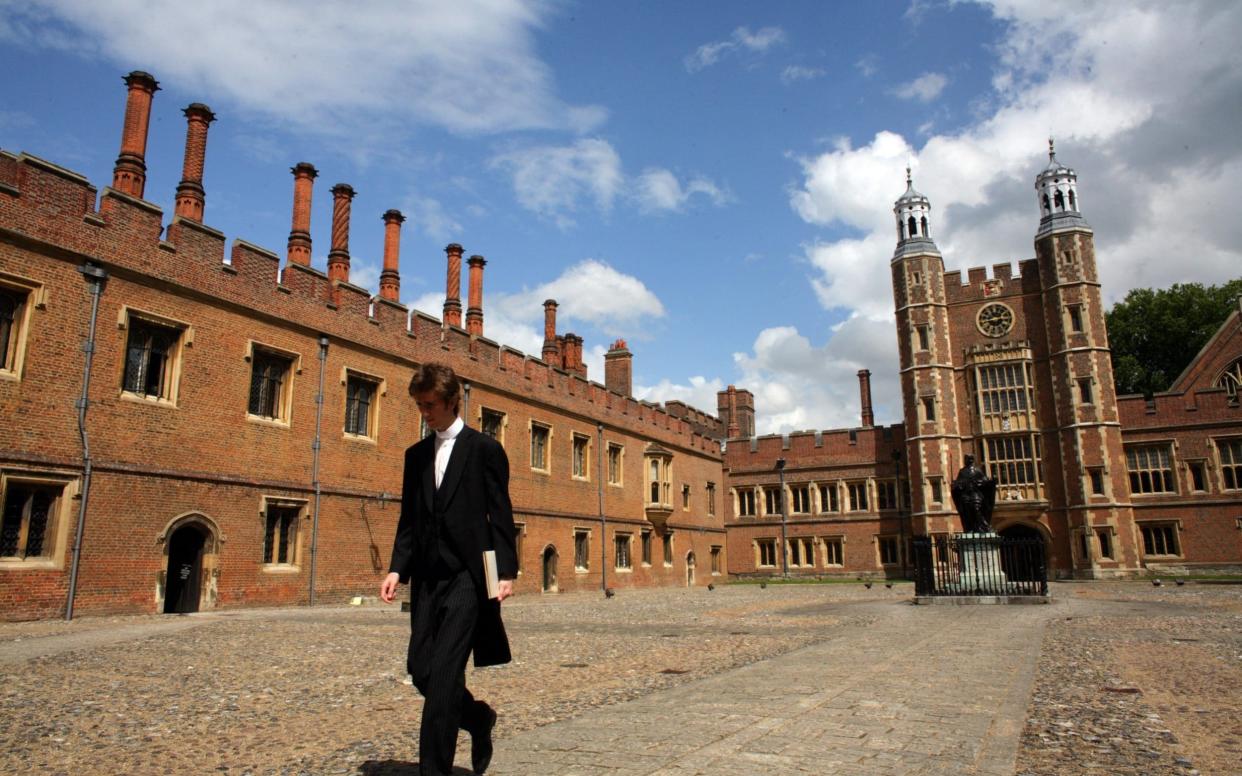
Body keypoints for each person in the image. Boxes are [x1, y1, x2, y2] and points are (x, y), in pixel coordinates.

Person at [380, 362, 517, 776]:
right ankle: (478, 719)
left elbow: (501, 514)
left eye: (431, 406)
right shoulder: (415, 456)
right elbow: (411, 518)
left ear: (452, 401)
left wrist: (505, 572)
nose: (425, 414)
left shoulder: (485, 450)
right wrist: (396, 569)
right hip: (426, 577)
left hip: (466, 579)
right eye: (420, 406)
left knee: (443, 677)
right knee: (421, 671)